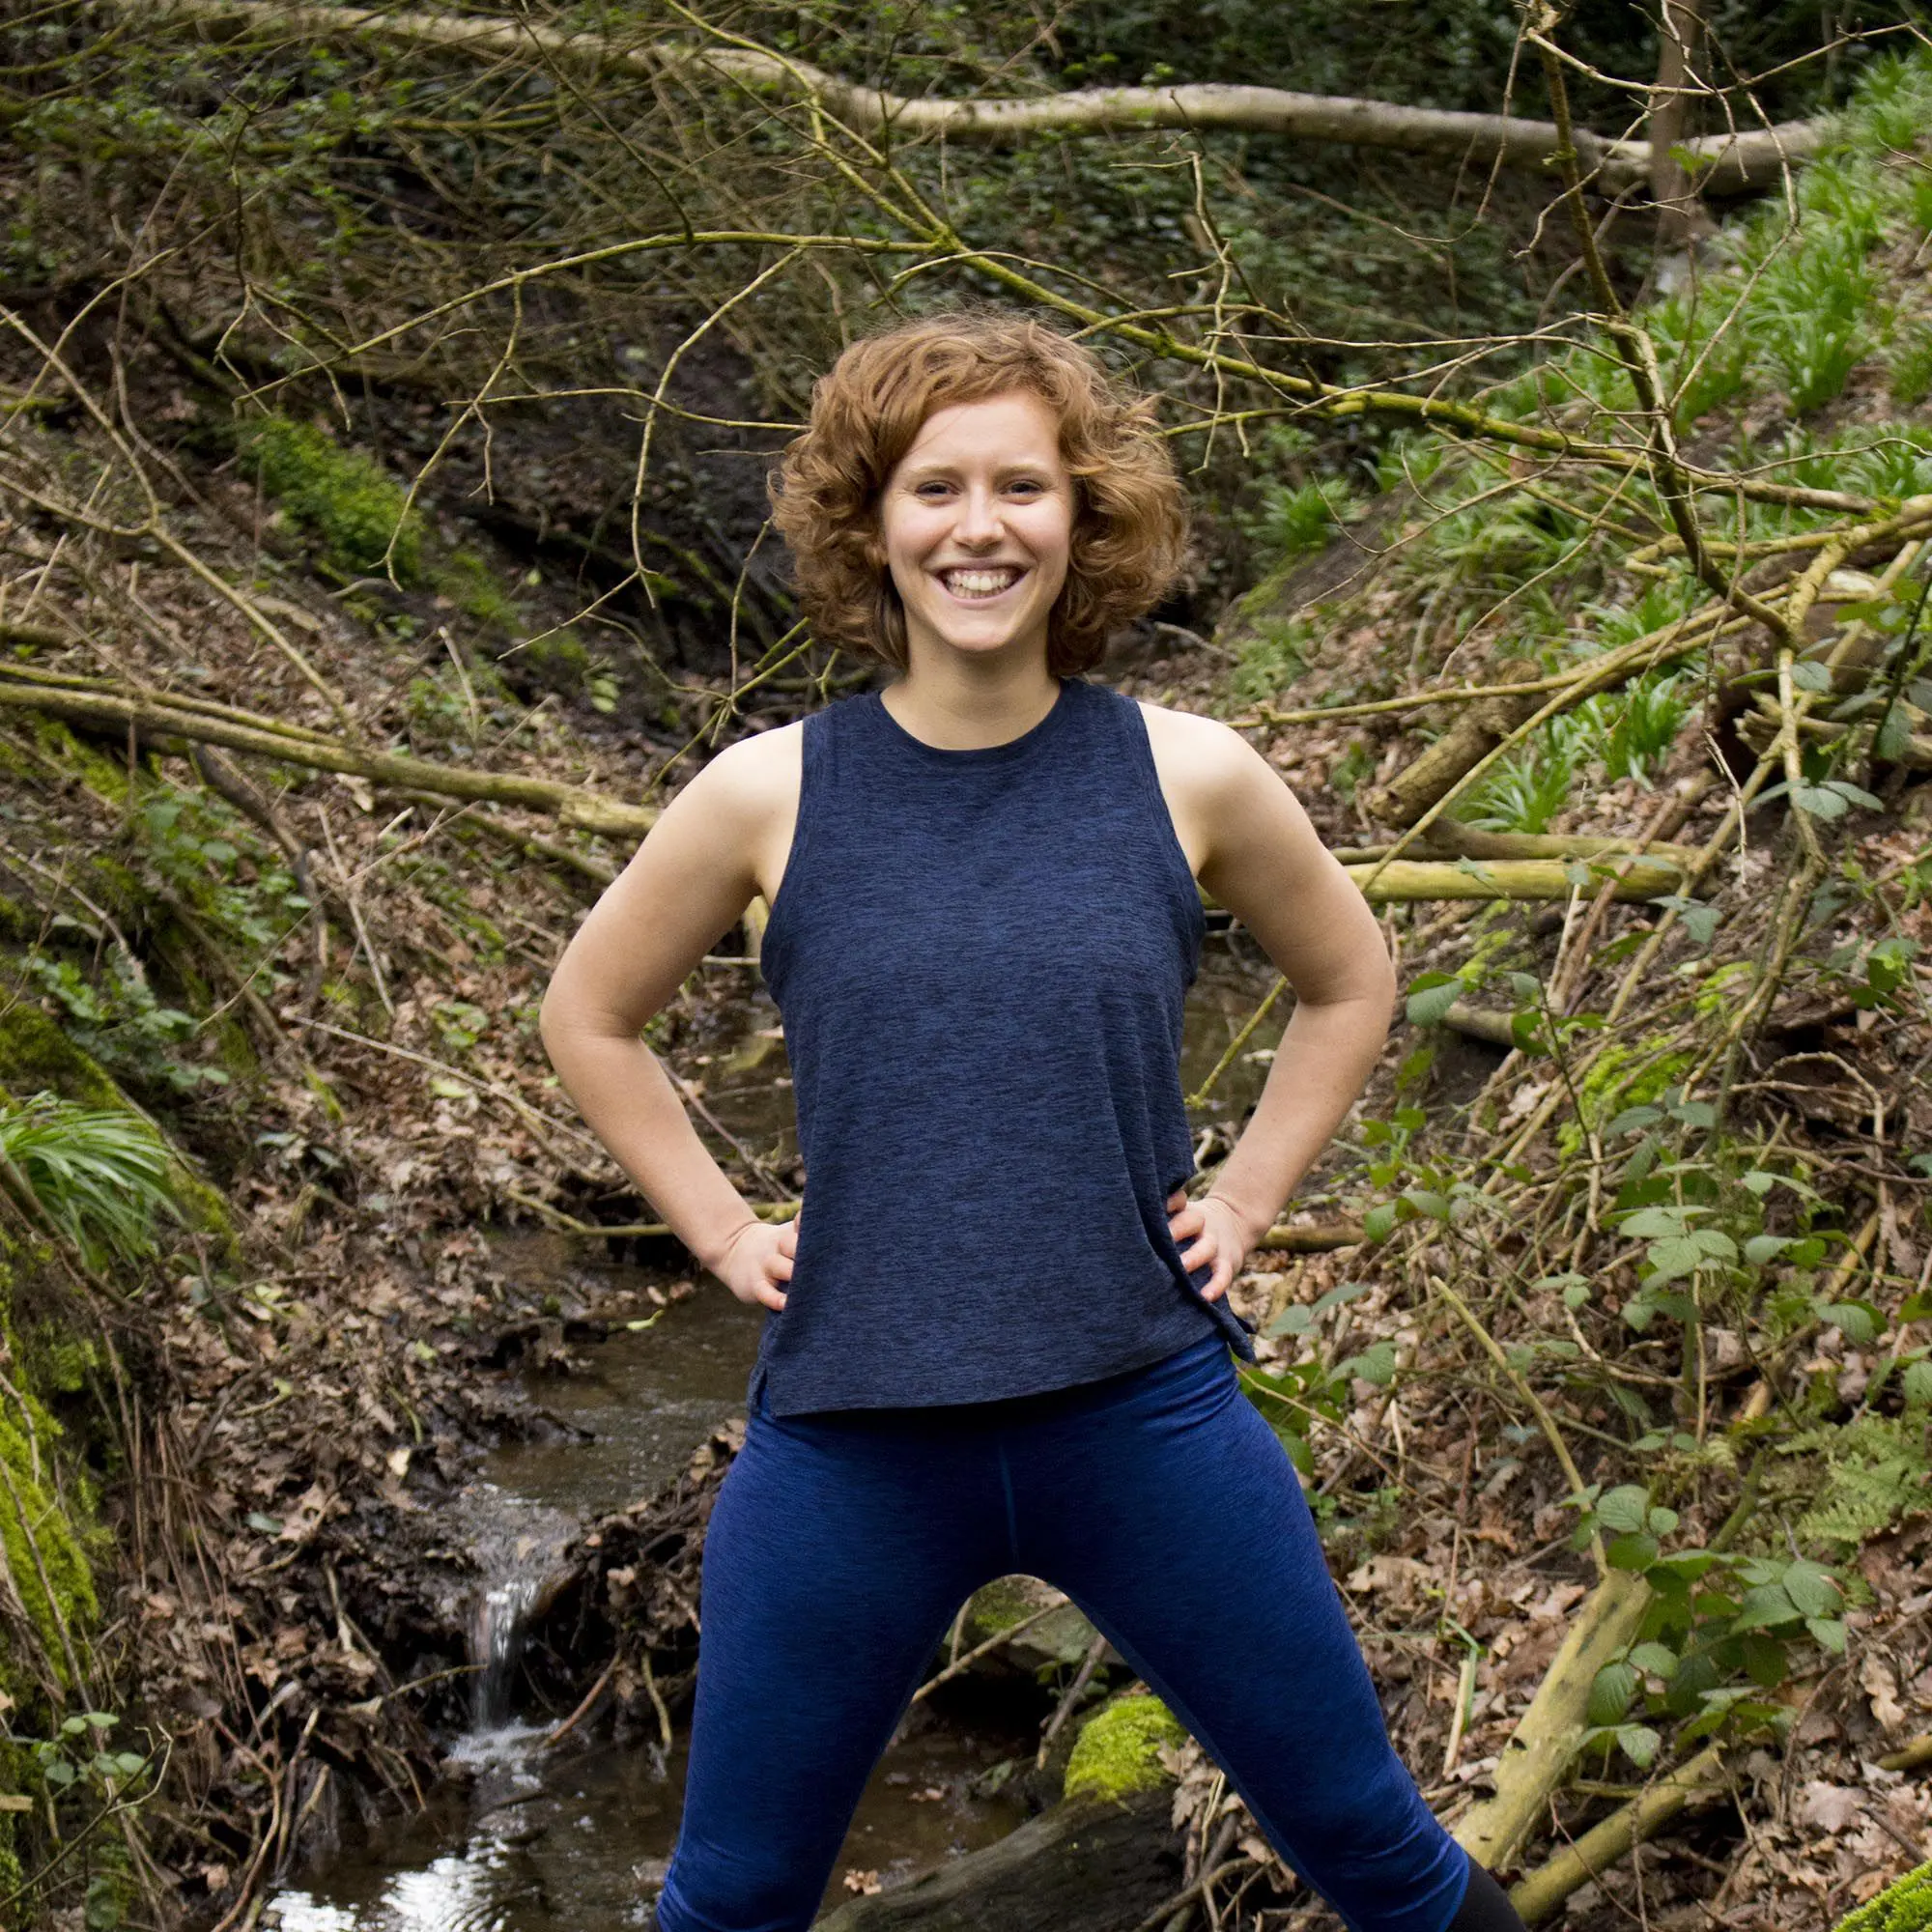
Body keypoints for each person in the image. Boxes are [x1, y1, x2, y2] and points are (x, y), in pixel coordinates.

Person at [539, 311, 1527, 1932]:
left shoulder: (1187, 774)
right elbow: (588, 1016)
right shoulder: (765, 792)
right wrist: (718, 1226)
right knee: (729, 1902)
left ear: (1084, 518)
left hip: (1143, 1420)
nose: (980, 527)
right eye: (936, 489)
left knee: (1379, 1852)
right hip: (853, 1441)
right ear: (871, 524)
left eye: (1023, 486)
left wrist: (1254, 1197)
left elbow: (1353, 979)